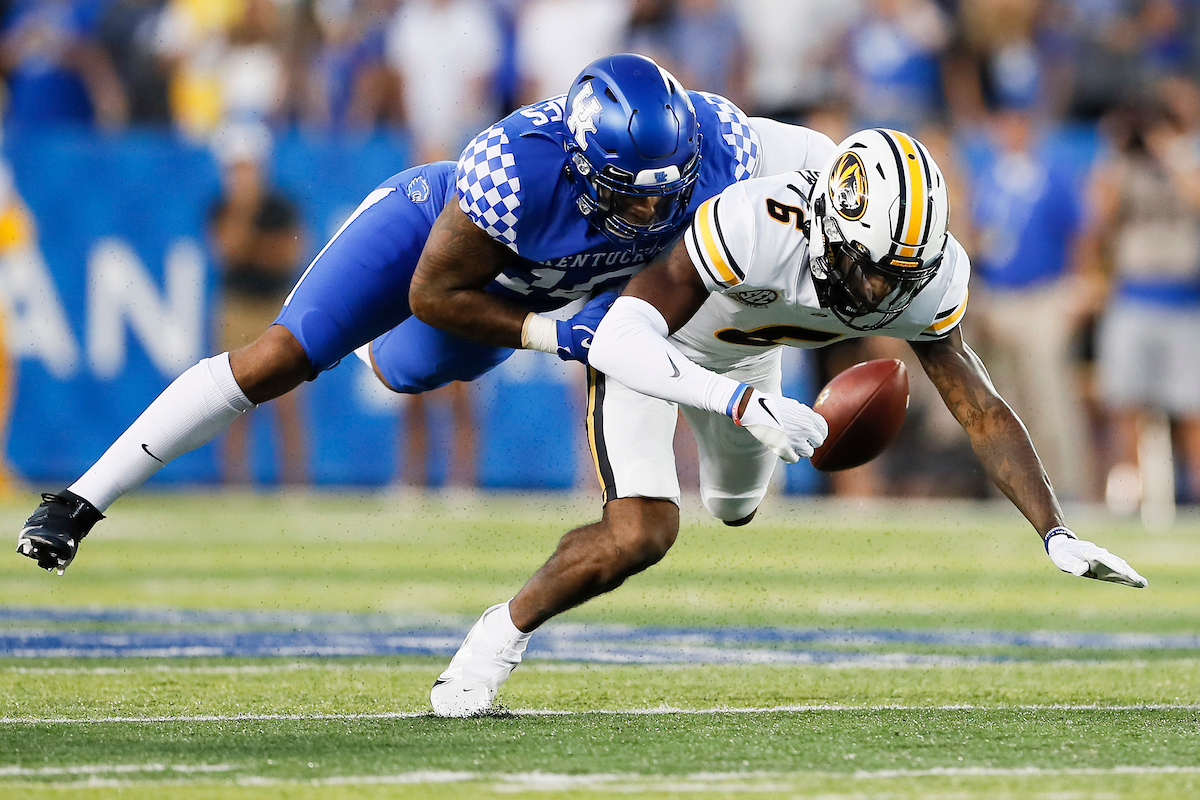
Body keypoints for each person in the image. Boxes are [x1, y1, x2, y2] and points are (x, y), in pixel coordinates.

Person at [431, 128, 1147, 718]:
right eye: (870, 270)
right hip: (661, 346)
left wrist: (1054, 531)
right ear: (824, 219)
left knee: (735, 508)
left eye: (899, 279)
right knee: (642, 533)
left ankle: (735, 439)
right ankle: (492, 645)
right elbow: (623, 335)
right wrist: (738, 404)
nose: (879, 294)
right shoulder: (751, 223)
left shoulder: (920, 276)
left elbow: (981, 407)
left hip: (749, 362)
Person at [16, 53, 828, 573]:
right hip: (441, 255)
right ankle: (77, 501)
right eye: (630, 196)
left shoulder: (723, 147)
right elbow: (433, 296)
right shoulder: (511, 175)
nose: (652, 217)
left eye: (668, 194)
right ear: (584, 164)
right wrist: (552, 333)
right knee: (280, 359)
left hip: (537, 295)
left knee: (418, 374)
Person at [208, 123, 307, 486]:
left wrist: (251, 248)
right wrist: (245, 214)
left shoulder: (282, 206)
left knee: (287, 401)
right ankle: (236, 484)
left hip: (276, 309)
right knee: (233, 400)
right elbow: (227, 252)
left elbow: (288, 256)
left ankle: (295, 484)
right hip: (237, 307)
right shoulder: (224, 207)